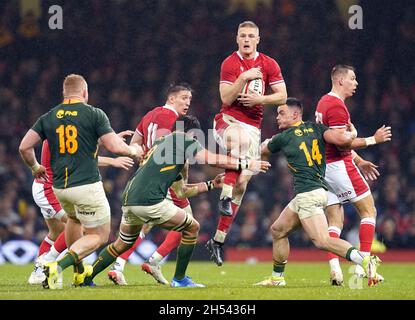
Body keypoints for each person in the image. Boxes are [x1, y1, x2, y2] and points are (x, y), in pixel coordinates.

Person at [82, 115, 270, 288]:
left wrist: (212, 184)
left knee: (121, 244)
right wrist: (246, 164)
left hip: (130, 199)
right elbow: (210, 159)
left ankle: (86, 279)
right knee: (192, 228)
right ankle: (180, 279)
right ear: (191, 134)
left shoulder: (161, 145)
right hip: (149, 200)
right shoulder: (183, 139)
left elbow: (181, 192)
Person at [19, 74, 142, 289]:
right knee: (100, 235)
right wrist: (133, 152)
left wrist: (35, 167)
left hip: (60, 189)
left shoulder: (49, 117)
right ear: (85, 93)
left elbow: (24, 147)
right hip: (86, 185)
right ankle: (55, 265)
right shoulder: (94, 113)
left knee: (74, 222)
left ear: (64, 93)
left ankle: (78, 274)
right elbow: (114, 146)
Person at [255, 98, 390, 287]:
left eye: (281, 113)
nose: (277, 117)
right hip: (316, 191)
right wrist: (357, 135)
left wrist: (265, 143)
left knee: (322, 240)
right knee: (277, 230)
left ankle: (366, 261)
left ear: (295, 114)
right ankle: (277, 279)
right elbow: (343, 142)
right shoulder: (318, 129)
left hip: (308, 194)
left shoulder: (283, 137)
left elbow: (262, 151)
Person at [108, 83, 221, 286]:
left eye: (189, 99)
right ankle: (153, 262)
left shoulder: (149, 115)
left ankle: (125, 264)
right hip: (166, 178)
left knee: (143, 226)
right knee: (188, 225)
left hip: (148, 176)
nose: (187, 103)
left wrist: (143, 158)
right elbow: (169, 150)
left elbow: (135, 143)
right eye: (184, 98)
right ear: (171, 98)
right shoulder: (172, 119)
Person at [207, 20, 287, 266]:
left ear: (258, 39)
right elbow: (226, 97)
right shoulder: (230, 63)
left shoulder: (269, 64)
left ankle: (218, 240)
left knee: (242, 182)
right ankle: (224, 195)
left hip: (254, 130)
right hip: (228, 121)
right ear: (237, 38)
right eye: (243, 35)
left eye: (251, 36)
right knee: (238, 143)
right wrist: (243, 78)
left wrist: (260, 99)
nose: (247, 39)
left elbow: (282, 95)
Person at [315, 65, 390, 285]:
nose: (356, 83)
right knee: (368, 210)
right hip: (339, 166)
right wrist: (373, 139)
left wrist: (359, 160)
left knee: (335, 219)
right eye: (353, 79)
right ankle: (363, 267)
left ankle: (335, 270)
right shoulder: (338, 107)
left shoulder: (323, 102)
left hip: (324, 168)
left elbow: (332, 139)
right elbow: (340, 143)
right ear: (340, 81)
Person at [28, 138, 134, 285]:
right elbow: (82, 158)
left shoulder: (57, 128)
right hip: (49, 189)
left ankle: (39, 272)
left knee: (57, 232)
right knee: (80, 227)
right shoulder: (60, 132)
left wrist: (105, 140)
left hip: (50, 186)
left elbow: (80, 145)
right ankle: (47, 262)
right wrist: (112, 160)